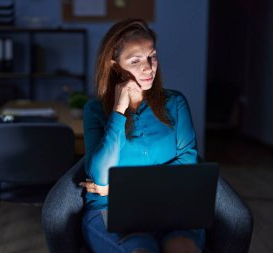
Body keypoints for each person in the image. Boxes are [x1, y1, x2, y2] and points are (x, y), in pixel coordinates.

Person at [79, 18, 203, 253]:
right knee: (140, 249)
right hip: (110, 208)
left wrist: (120, 187)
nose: (148, 67)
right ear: (115, 65)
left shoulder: (175, 102)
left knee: (183, 248)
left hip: (171, 206)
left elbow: (187, 164)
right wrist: (118, 111)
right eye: (135, 61)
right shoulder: (94, 111)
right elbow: (100, 177)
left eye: (152, 56)